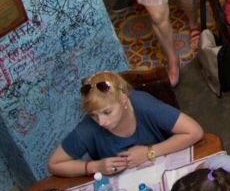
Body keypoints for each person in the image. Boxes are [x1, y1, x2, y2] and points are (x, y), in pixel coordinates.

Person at [47, 71, 203, 178]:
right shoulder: (88, 128)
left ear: (123, 99)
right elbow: (54, 164)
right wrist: (94, 167)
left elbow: (195, 131)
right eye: (94, 115)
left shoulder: (142, 104)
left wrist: (150, 152)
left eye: (107, 112)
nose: (101, 122)